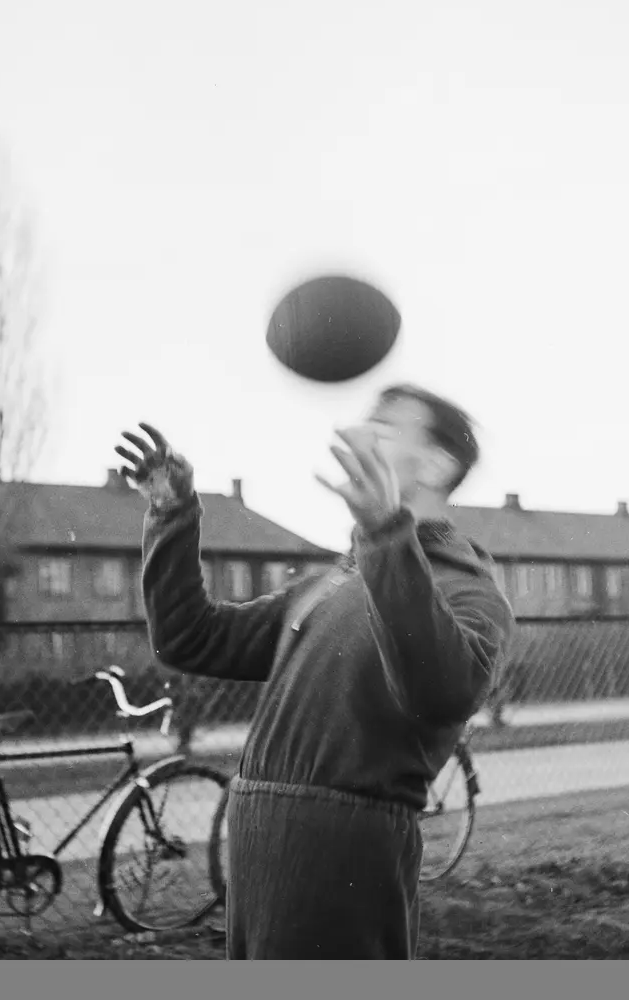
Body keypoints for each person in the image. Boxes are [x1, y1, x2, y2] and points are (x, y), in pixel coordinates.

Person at [115, 383, 514, 959]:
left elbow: (438, 692)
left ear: (435, 464)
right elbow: (189, 638)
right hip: (258, 842)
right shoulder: (333, 584)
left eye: (386, 425)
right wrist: (173, 515)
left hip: (340, 849)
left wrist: (384, 532)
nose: (360, 432)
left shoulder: (471, 594)